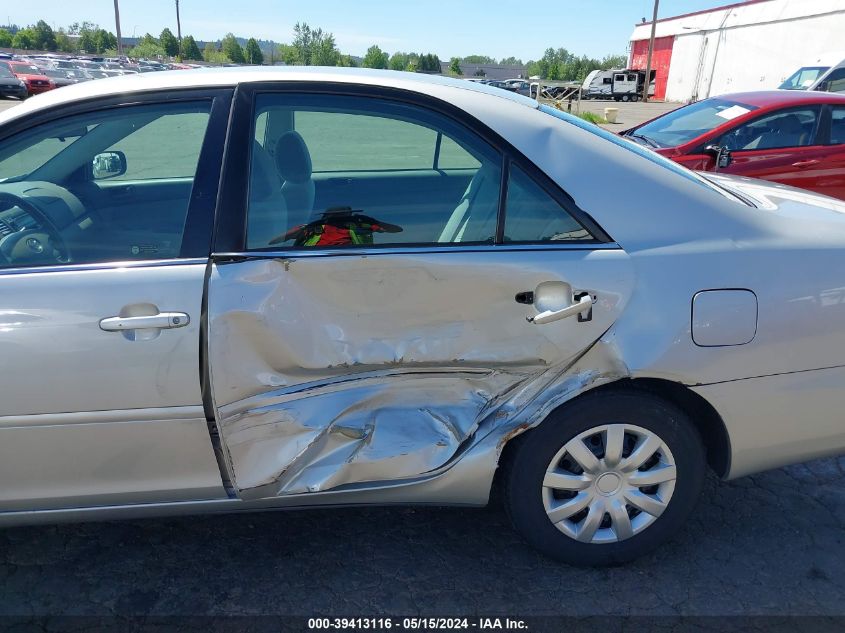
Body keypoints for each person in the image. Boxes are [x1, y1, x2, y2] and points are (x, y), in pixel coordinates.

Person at [270, 207, 403, 247]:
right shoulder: (310, 229)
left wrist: (373, 221)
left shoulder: (362, 225)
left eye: (344, 216)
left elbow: (397, 230)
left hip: (355, 262)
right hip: (314, 263)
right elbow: (273, 242)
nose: (341, 219)